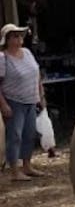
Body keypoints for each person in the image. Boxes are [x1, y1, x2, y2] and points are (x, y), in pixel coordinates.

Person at [0, 23, 46, 182]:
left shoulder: (26, 53)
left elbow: (37, 72)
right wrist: (3, 104)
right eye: (14, 36)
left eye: (20, 35)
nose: (19, 38)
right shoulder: (3, 58)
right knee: (15, 135)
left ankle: (27, 165)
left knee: (29, 134)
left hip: (31, 99)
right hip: (14, 101)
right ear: (7, 40)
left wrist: (41, 93)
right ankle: (14, 171)